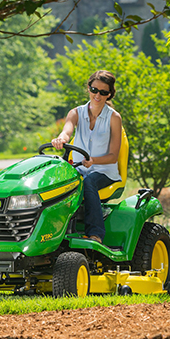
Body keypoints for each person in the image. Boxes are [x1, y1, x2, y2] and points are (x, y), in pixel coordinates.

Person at [51, 70, 122, 243]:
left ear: (109, 94)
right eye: (94, 89)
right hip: (79, 169)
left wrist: (94, 161)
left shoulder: (114, 118)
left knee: (89, 182)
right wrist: (61, 139)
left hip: (104, 171)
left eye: (103, 92)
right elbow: (67, 130)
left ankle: (96, 233)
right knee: (55, 183)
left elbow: (113, 156)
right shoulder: (75, 113)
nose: (97, 95)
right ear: (89, 89)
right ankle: (55, 231)